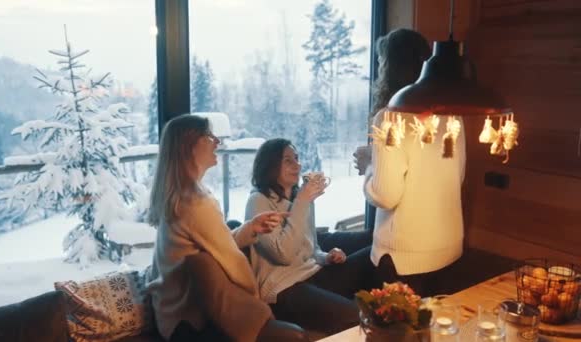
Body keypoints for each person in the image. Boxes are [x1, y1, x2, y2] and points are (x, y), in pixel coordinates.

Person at [145, 115, 309, 342]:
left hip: (168, 310)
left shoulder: (181, 193)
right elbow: (233, 262)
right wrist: (259, 305)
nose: (217, 142)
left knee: (232, 227)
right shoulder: (195, 202)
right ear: (189, 146)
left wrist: (250, 228)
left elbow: (210, 244)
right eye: (209, 136)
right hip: (185, 322)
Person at [354, 28, 466, 297]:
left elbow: (386, 195)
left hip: (404, 256)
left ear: (390, 69)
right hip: (449, 248)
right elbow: (455, 177)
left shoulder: (391, 117)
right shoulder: (453, 114)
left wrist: (369, 166)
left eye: (381, 63)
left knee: (396, 335)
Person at [245, 138, 374, 336]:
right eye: (288, 160)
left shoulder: (299, 197)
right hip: (284, 288)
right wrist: (303, 201)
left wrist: (326, 256)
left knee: (375, 256)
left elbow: (311, 248)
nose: (297, 165)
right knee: (356, 317)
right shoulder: (259, 201)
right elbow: (283, 254)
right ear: (270, 165)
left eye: (297, 158)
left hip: (313, 273)